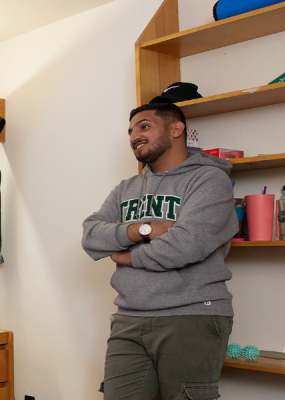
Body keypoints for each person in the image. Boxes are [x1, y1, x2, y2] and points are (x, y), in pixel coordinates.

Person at [80, 102, 238, 400]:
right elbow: (91, 235)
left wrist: (126, 255)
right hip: (128, 317)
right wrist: (143, 229)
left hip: (191, 315)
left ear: (176, 129)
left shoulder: (209, 180)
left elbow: (184, 245)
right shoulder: (126, 188)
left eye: (144, 126)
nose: (133, 136)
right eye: (130, 131)